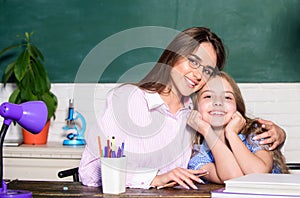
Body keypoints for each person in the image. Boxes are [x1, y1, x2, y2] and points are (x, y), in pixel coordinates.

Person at [79, 27, 286, 189]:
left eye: (207, 70)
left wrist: (277, 134)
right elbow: (89, 171)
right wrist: (155, 178)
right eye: (193, 61)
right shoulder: (129, 99)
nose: (198, 74)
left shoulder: (196, 114)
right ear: (173, 55)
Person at [187, 71, 289, 184]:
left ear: (237, 107)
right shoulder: (198, 154)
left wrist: (231, 134)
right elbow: (234, 179)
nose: (218, 102)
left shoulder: (256, 132)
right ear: (194, 107)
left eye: (227, 97)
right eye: (208, 96)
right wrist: (207, 132)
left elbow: (258, 174)